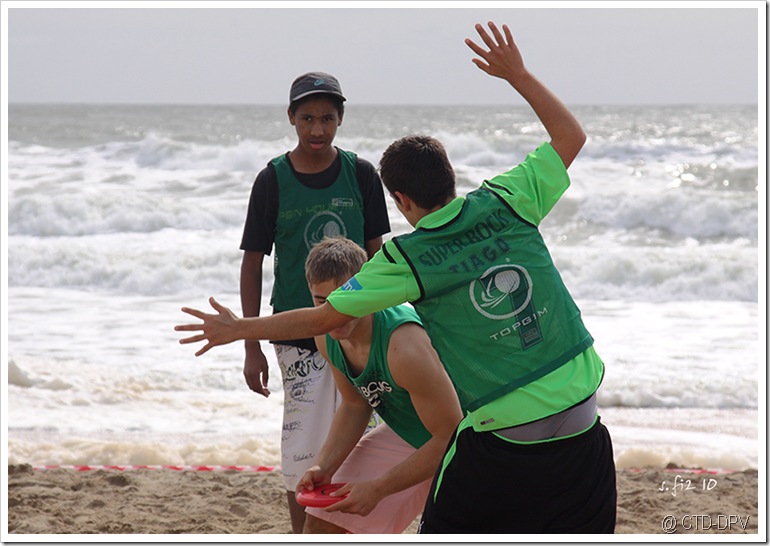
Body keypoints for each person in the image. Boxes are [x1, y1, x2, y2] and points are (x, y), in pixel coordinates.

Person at [177, 22, 616, 534]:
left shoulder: (405, 259)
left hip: (503, 433)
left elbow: (324, 314)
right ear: (449, 177)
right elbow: (572, 136)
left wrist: (240, 330)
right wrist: (517, 75)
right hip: (585, 417)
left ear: (400, 202)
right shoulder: (509, 198)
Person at [238, 71, 391, 532]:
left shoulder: (361, 174)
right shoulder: (273, 180)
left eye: (327, 118)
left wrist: (387, 324)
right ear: (291, 118)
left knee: (360, 446)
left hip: (357, 332)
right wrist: (250, 344)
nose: (317, 129)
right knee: (304, 448)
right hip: (297, 334)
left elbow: (380, 252)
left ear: (341, 119)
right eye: (307, 118)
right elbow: (253, 262)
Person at [297, 236, 462, 534]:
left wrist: (379, 488)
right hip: (408, 434)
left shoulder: (404, 346)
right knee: (322, 525)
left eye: (344, 298)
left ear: (366, 288)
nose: (334, 312)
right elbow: (354, 404)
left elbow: (450, 436)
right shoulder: (324, 334)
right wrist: (323, 466)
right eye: (322, 302)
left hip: (468, 440)